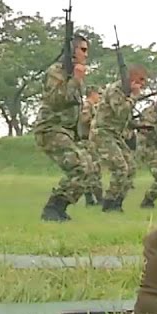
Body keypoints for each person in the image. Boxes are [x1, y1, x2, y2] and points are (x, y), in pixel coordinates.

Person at [33, 34, 94, 222]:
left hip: (65, 131)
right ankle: (53, 208)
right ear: (72, 51)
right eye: (82, 50)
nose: (86, 54)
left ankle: (59, 208)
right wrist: (75, 79)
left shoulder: (75, 75)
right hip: (50, 129)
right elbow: (56, 99)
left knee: (90, 168)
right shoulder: (56, 72)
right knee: (80, 167)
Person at [91, 65, 149, 212]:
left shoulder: (126, 93)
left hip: (115, 134)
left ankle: (117, 203)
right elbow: (121, 112)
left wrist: (140, 126)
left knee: (131, 168)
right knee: (120, 167)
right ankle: (108, 204)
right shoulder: (115, 90)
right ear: (131, 77)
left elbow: (125, 120)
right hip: (102, 133)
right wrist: (134, 96)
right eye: (140, 79)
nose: (143, 84)